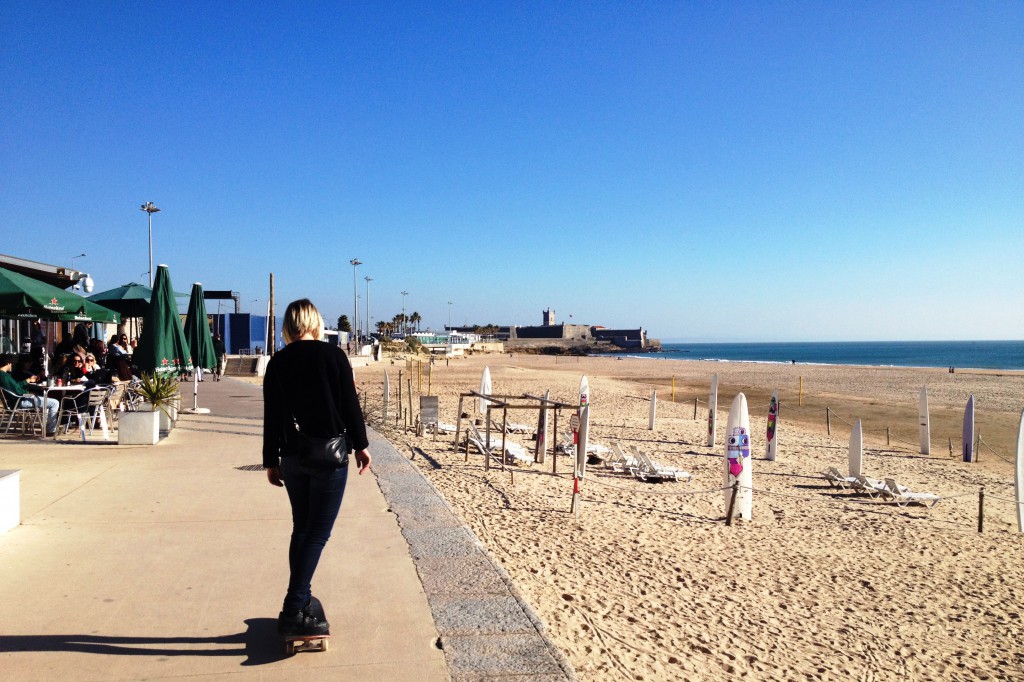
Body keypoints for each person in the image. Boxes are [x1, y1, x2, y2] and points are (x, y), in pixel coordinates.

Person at [262, 299, 371, 638]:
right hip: (328, 455)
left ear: (289, 325)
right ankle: (294, 607)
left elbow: (271, 416)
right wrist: (361, 445)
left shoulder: (277, 362)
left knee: (302, 529)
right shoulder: (334, 356)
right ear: (314, 322)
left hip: (293, 457)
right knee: (317, 533)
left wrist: (270, 460)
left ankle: (303, 599)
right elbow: (349, 405)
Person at [0, 353, 59, 436]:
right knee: (54, 402)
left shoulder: (4, 376)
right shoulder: (5, 376)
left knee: (46, 402)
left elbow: (15, 387)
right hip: (19, 401)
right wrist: (29, 394)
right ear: (8, 363)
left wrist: (28, 381)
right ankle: (50, 430)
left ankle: (47, 428)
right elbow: (18, 391)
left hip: (13, 401)